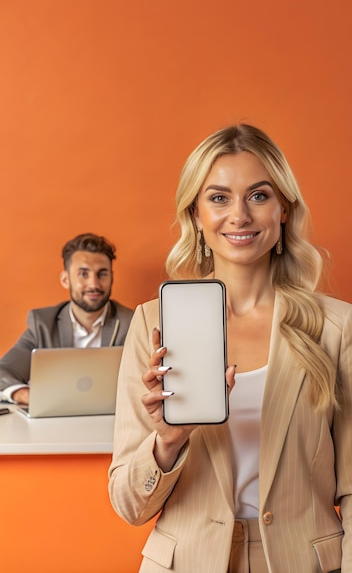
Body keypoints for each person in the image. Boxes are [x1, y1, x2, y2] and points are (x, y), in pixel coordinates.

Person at [108, 124, 352, 573]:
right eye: (218, 198)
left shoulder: (336, 327)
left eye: (258, 196)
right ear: (197, 214)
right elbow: (129, 505)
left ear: (283, 209)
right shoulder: (152, 323)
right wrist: (168, 440)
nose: (239, 215)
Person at [0, 233, 133, 405]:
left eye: (102, 274)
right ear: (65, 279)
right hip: (56, 423)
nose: (94, 284)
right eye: (83, 274)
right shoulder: (43, 324)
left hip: (113, 423)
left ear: (111, 278)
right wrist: (28, 396)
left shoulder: (133, 323)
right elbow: (4, 372)